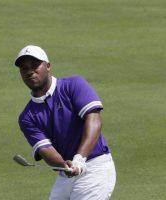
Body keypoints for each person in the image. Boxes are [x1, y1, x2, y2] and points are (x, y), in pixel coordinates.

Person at [14, 45, 116, 200]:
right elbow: (46, 150)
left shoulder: (73, 85)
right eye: (24, 68)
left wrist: (80, 159)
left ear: (47, 66)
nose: (30, 72)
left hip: (95, 166)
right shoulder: (27, 117)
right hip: (66, 175)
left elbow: (94, 120)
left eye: (35, 66)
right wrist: (64, 166)